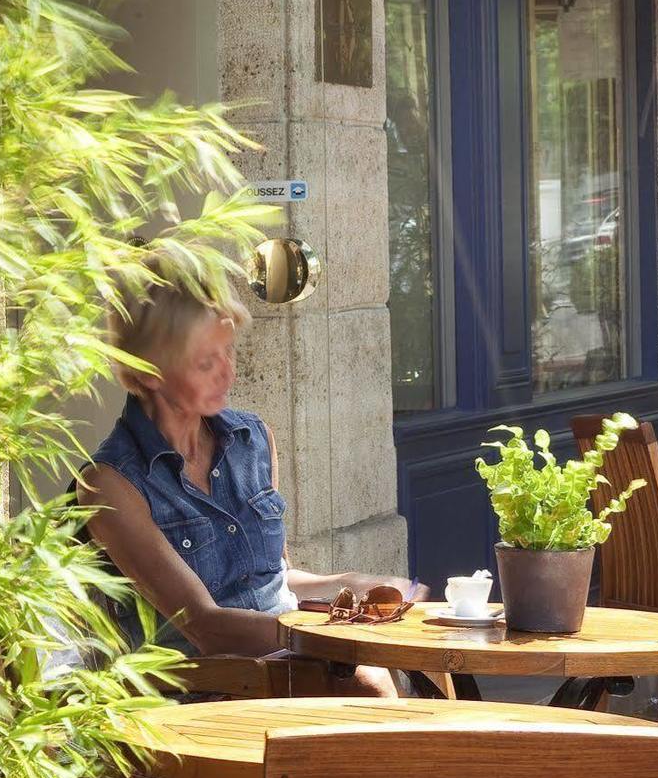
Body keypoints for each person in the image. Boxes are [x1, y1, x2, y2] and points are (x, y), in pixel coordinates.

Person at [78, 267, 415, 694]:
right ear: (147, 372)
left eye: (229, 352)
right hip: (206, 692)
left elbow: (273, 578)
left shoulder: (252, 438)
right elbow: (205, 628)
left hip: (294, 661)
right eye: (205, 361)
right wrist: (333, 637)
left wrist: (348, 586)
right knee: (369, 687)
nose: (228, 373)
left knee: (405, 678)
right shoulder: (109, 484)